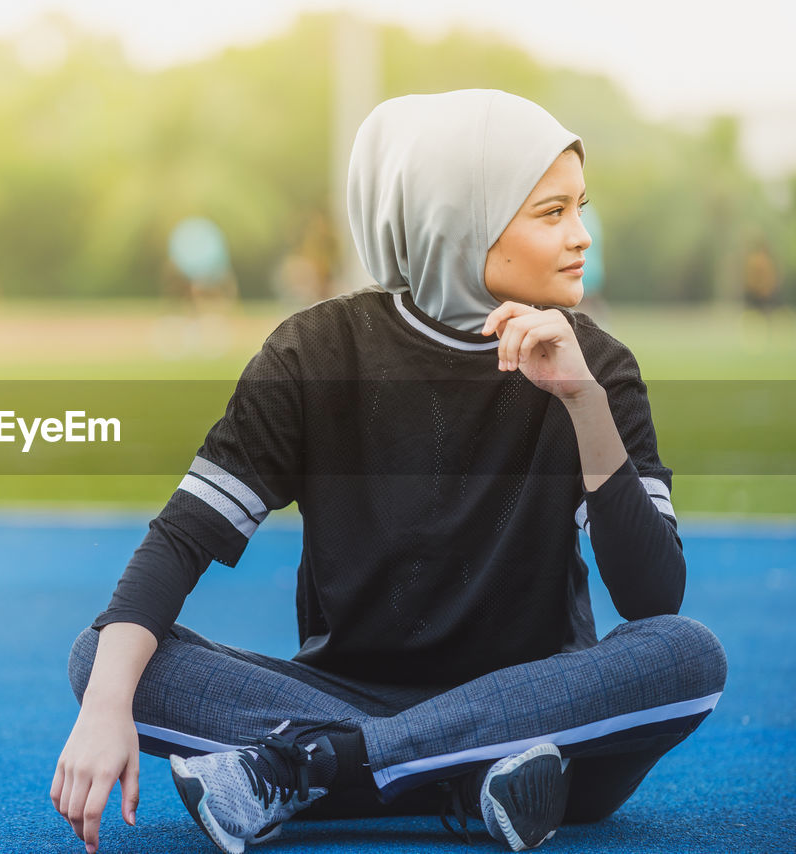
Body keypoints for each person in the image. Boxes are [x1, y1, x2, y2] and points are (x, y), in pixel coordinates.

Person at [51, 90, 726, 854]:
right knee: (101, 660)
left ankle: (315, 768)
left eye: (581, 209)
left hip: (534, 705)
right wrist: (106, 704)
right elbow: (181, 539)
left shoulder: (596, 366)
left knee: (687, 652)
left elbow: (653, 596)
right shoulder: (316, 354)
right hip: (361, 699)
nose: (581, 239)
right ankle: (461, 781)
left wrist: (583, 405)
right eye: (551, 213)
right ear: (460, 221)